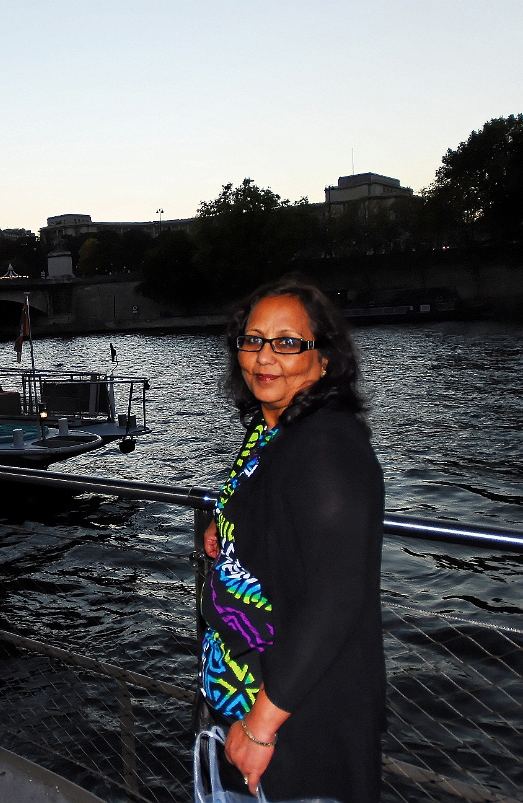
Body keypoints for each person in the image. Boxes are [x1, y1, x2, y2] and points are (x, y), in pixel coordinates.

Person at [199, 276, 385, 803]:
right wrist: (227, 521)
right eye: (253, 339)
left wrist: (261, 727)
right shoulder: (272, 427)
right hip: (242, 703)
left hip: (292, 725)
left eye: (287, 342)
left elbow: (337, 599)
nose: (264, 357)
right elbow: (265, 493)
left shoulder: (326, 447)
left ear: (323, 358)